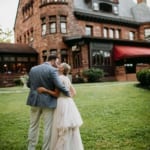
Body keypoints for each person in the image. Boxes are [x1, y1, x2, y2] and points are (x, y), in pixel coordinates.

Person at [26, 56, 70, 150]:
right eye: (57, 62)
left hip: (34, 101)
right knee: (47, 127)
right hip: (48, 102)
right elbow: (59, 85)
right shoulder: (52, 70)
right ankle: (45, 148)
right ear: (53, 60)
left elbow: (28, 84)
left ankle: (31, 147)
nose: (57, 64)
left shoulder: (33, 69)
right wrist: (67, 93)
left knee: (33, 125)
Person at [37, 63, 84, 150]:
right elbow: (74, 92)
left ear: (62, 69)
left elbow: (56, 94)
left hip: (61, 103)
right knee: (68, 125)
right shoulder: (67, 78)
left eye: (60, 66)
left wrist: (44, 90)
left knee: (61, 125)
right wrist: (67, 98)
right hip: (69, 103)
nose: (58, 66)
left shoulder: (58, 79)